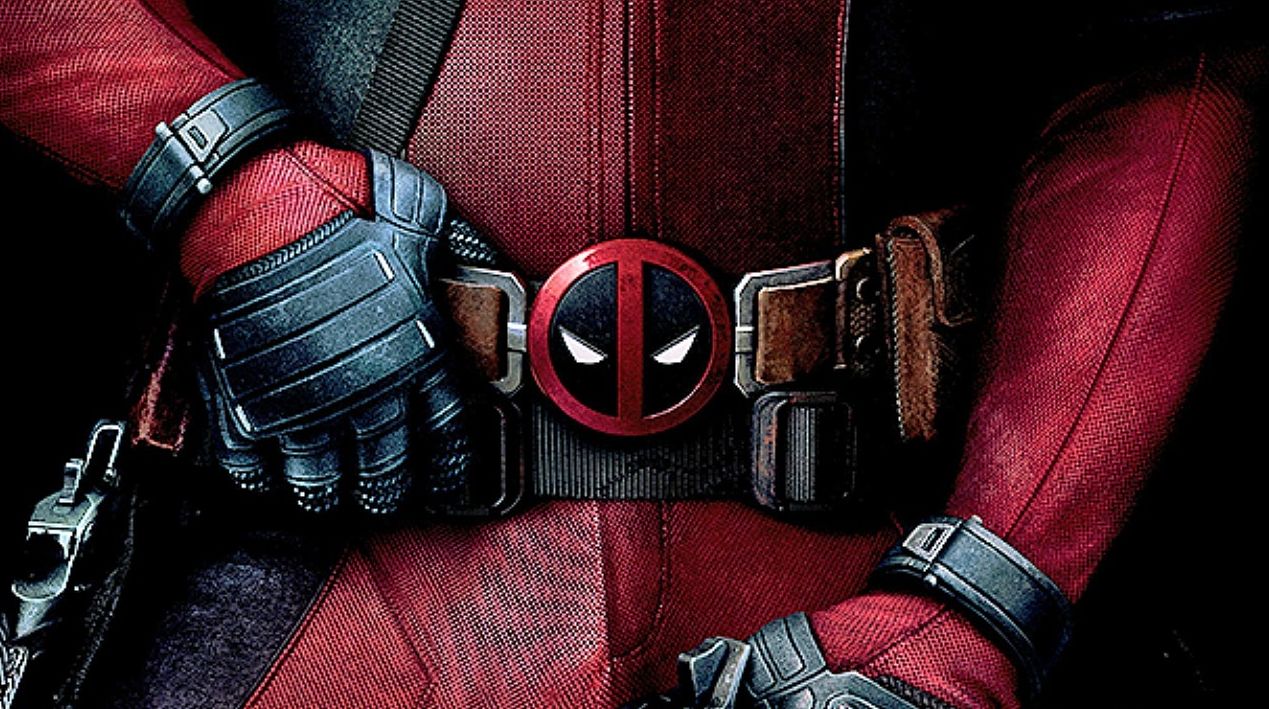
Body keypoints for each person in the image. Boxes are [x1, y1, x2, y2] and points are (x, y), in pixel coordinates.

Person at [0, 1, 1264, 707]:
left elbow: (1162, 67)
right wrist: (221, 174)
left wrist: (973, 608)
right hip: (312, 557)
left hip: (856, 613)